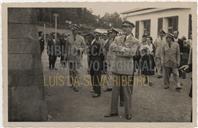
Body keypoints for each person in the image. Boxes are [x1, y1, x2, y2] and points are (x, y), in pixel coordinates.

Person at [105, 21, 140, 120]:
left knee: (126, 92)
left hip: (126, 69)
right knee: (114, 91)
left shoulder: (135, 41)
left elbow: (131, 53)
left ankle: (128, 113)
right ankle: (113, 111)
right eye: (123, 26)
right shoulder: (117, 38)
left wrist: (119, 50)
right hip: (117, 68)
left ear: (132, 28)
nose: (124, 28)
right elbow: (112, 48)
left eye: (127, 27)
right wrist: (124, 49)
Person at [65, 24, 86, 92]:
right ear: (71, 30)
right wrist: (65, 56)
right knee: (71, 71)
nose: (74, 31)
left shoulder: (81, 38)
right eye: (73, 29)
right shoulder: (68, 38)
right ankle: (72, 83)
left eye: (75, 29)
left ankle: (76, 85)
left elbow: (84, 47)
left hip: (77, 57)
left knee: (77, 71)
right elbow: (66, 48)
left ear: (77, 30)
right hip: (70, 57)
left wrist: (79, 49)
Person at [87, 32, 104, 97]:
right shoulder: (91, 44)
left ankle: (97, 92)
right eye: (87, 38)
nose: (87, 39)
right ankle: (94, 89)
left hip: (97, 62)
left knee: (97, 77)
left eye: (88, 38)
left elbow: (102, 55)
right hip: (92, 61)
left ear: (91, 38)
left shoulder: (97, 44)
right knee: (92, 75)